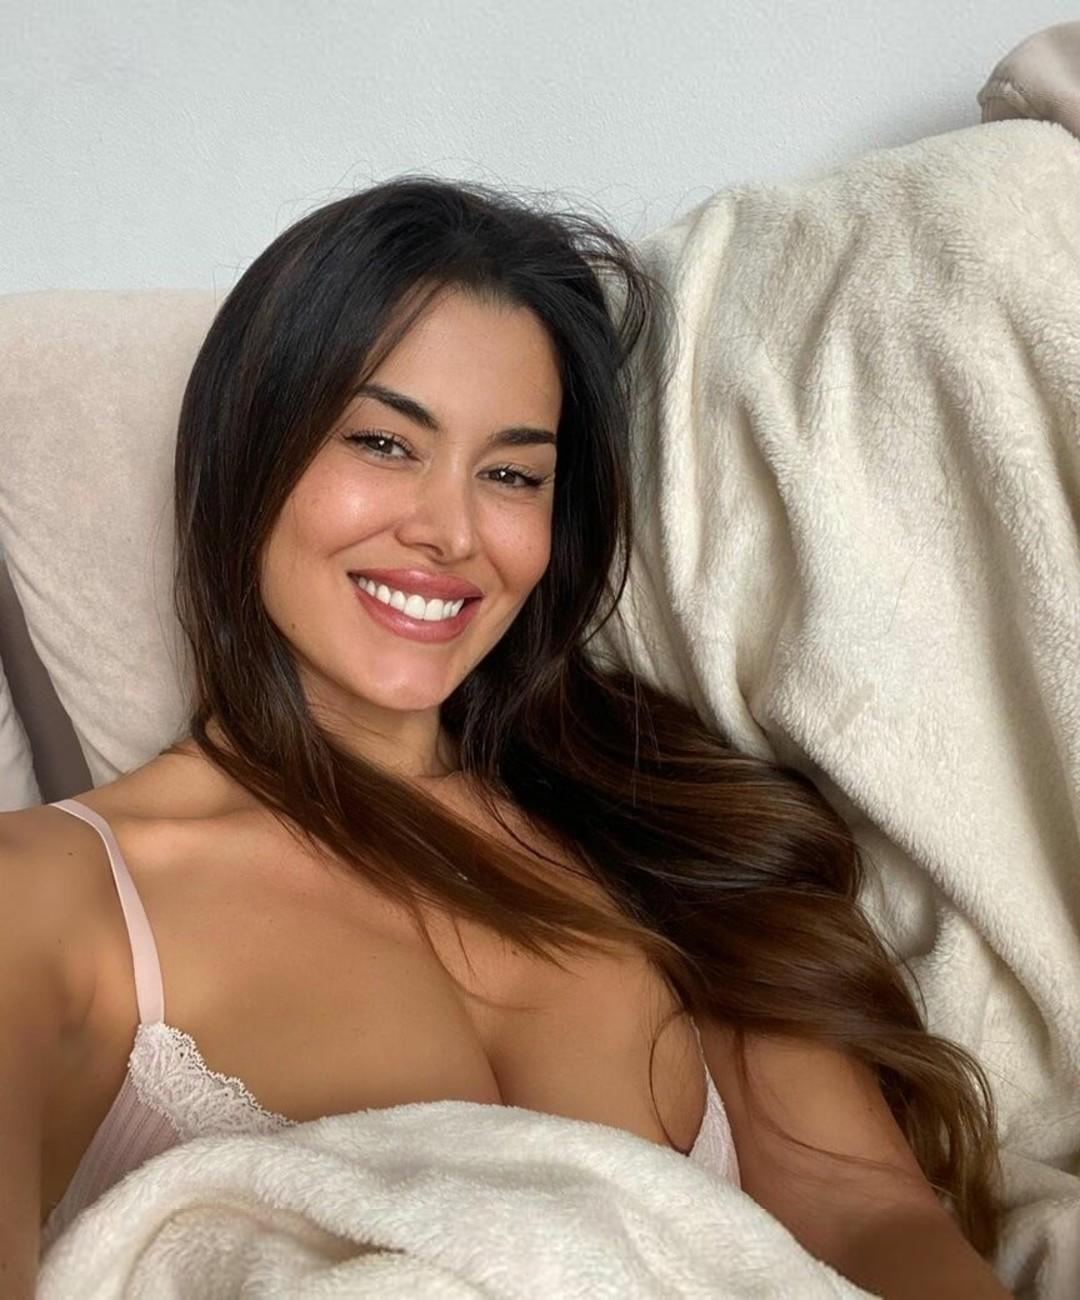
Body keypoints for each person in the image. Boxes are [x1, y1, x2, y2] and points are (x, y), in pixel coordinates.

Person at [1, 176, 1011, 1298]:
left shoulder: (662, 833)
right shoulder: (47, 896)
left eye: (511, 474)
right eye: (384, 443)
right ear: (249, 449)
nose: (451, 531)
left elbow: (870, 1220)